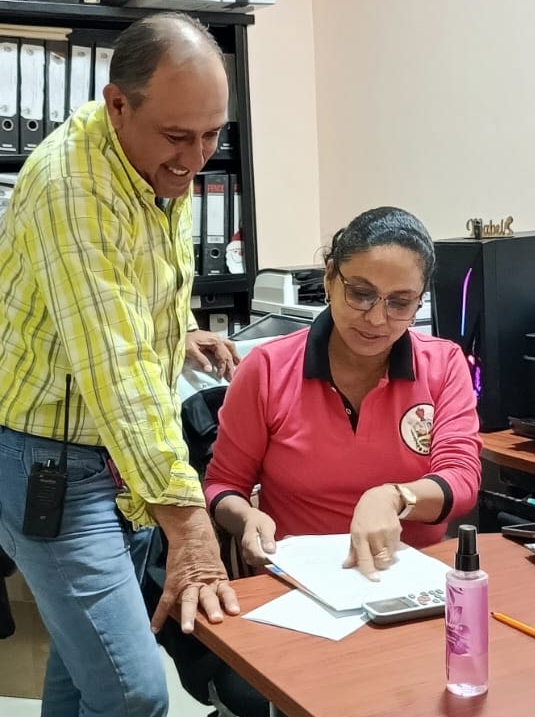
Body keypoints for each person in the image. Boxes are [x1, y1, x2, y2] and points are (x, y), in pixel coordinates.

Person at [0, 12, 241, 717]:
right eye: (177, 137)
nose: (194, 160)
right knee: (128, 692)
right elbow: (117, 380)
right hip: (46, 464)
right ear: (115, 104)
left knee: (79, 675)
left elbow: (135, 303)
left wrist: (181, 331)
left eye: (212, 136)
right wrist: (190, 530)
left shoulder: (150, 166)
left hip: (96, 455)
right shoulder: (71, 187)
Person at [204, 207, 482, 575]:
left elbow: (462, 478)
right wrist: (245, 517)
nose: (377, 319)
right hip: (300, 577)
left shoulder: (443, 364)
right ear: (330, 279)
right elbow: (223, 484)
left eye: (400, 303)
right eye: (361, 294)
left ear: (419, 302)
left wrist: (397, 497)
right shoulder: (267, 368)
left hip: (410, 574)